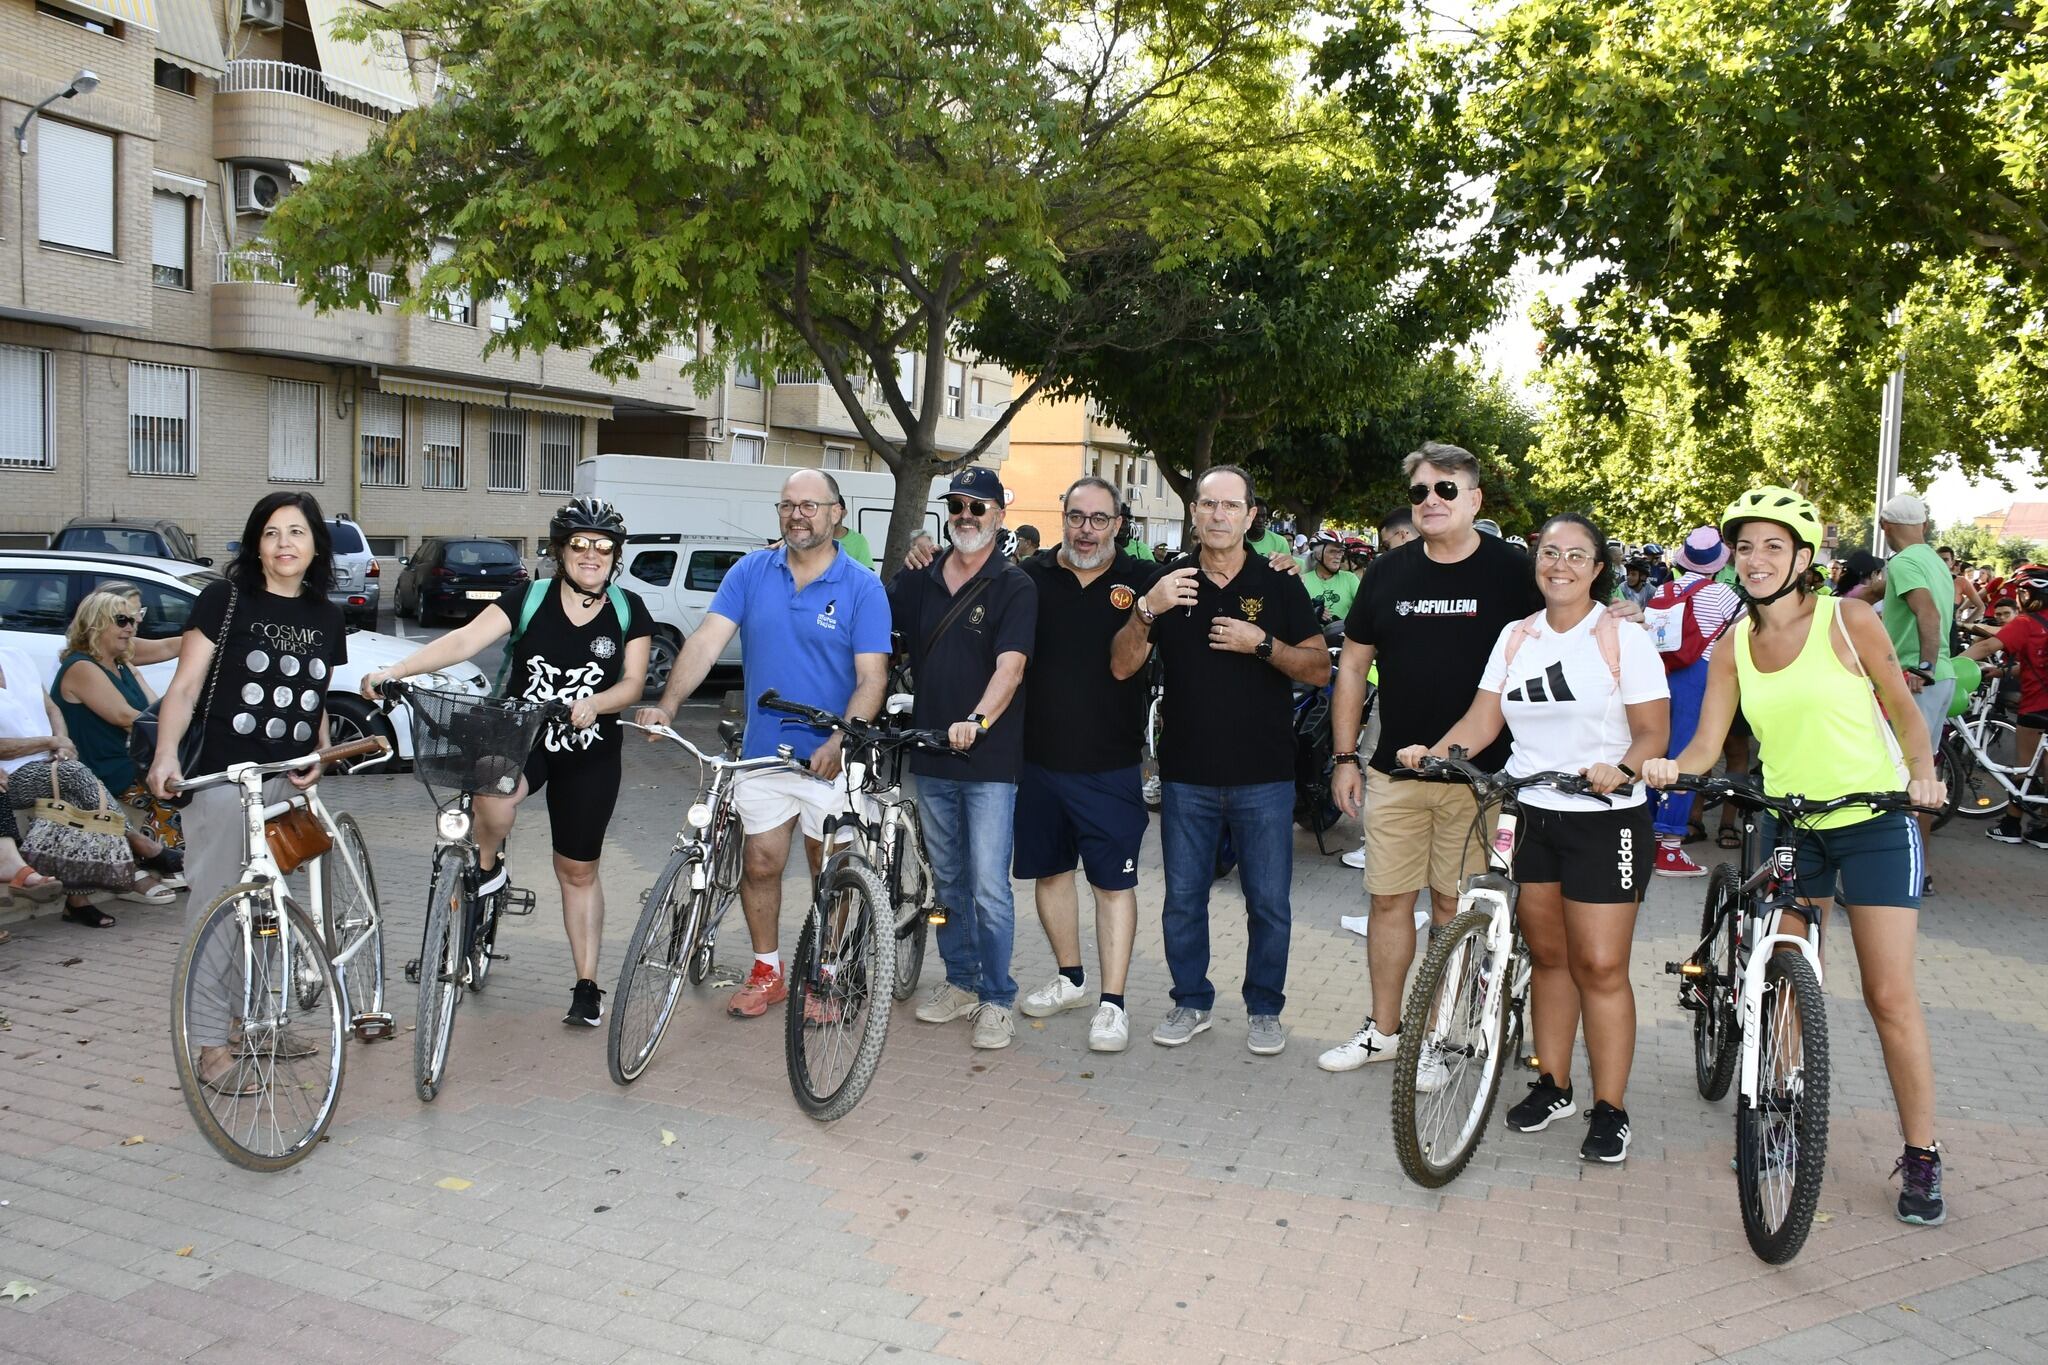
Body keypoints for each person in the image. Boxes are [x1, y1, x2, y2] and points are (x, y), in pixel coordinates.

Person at [1644, 486, 1948, 1226]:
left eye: (1772, 546)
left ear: (1804, 559)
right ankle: (1779, 1117)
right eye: (1745, 547)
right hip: (1792, 824)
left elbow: (1903, 707)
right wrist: (1667, 768)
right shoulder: (1731, 647)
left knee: (1888, 997)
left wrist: (1923, 770)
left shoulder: (1849, 619)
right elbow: (1706, 746)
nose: (1754, 560)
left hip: (1874, 818)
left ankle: (1922, 1152)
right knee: (1783, 977)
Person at [1398, 512, 1669, 1161]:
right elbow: (1484, 719)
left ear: (1598, 568)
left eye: (1577, 555)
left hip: (1605, 817)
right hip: (1530, 810)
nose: (1562, 565)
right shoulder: (1517, 636)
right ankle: (1554, 1082)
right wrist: (1436, 753)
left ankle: (1612, 1108)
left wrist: (1624, 768)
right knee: (1549, 956)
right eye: (1551, 552)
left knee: (1599, 965)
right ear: (1536, 561)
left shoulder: (1622, 638)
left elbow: (1654, 731)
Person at [361, 497, 651, 1027]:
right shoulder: (529, 598)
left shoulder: (629, 610)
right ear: (561, 551)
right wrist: (394, 670)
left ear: (615, 556)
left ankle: (586, 983)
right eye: (580, 544)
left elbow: (632, 683)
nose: (591, 555)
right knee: (494, 798)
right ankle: (488, 870)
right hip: (522, 734)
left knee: (577, 870)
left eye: (603, 547)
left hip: (589, 751)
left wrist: (596, 703)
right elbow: (465, 639)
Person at [1321, 443, 1545, 1075]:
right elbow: (1355, 668)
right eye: (1420, 491)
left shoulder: (1514, 571)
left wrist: (1622, 611)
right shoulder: (1388, 573)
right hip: (1396, 772)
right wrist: (1344, 756)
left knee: (1454, 909)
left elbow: (1572, 619)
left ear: (1474, 499)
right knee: (1388, 902)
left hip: (1481, 780)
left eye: (1446, 490)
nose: (1431, 502)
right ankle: (1385, 1031)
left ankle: (1447, 1038)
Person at [635, 470, 891, 1017]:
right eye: (787, 506)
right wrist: (669, 704)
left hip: (831, 756)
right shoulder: (751, 571)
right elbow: (706, 641)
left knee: (832, 871)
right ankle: (766, 971)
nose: (797, 515)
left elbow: (872, 678)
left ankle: (828, 973)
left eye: (810, 506)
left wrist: (841, 739)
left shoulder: (862, 587)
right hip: (764, 751)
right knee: (760, 863)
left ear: (837, 514)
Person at [147, 493, 349, 1090]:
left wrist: (315, 752)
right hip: (222, 783)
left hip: (286, 784)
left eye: (296, 532)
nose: (284, 542)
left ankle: (259, 1021)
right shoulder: (224, 601)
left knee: (268, 911)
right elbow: (183, 689)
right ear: (256, 544)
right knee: (217, 914)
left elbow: (314, 697)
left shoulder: (326, 616)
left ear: (315, 545)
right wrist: (164, 755)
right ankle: (210, 1049)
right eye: (271, 532)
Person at [1129, 465, 1324, 1055]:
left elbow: (1319, 670)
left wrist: (1260, 644)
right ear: (1193, 512)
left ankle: (1265, 1008)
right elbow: (1120, 665)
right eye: (1208, 504)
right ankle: (1190, 1000)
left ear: (1250, 516)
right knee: (1183, 900)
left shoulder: (1280, 584)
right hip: (1186, 775)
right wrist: (1146, 608)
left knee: (1268, 903)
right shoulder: (1168, 582)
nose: (1218, 515)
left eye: (1230, 506)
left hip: (1265, 777)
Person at [1011, 477, 1160, 1051]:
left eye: (1099, 519)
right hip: (1038, 762)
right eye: (1077, 516)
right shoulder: (1029, 578)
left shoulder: (1143, 581)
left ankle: (1113, 1003)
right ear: (1063, 516)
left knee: (1112, 884)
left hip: (1110, 765)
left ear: (1118, 524)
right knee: (1050, 874)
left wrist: (1280, 568)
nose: (1087, 529)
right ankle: (1071, 978)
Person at [889, 467, 1036, 1050]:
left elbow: (1012, 667)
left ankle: (998, 997)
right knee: (945, 881)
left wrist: (976, 722)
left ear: (999, 515)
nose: (967, 515)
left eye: (980, 506)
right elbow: (880, 631)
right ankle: (960, 982)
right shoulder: (922, 578)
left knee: (988, 888)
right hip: (930, 755)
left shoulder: (1013, 583)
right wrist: (905, 563)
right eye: (958, 505)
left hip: (989, 760)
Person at [51, 588, 188, 880]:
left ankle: (175, 862)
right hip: (101, 765)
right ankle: (162, 864)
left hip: (127, 758)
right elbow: (125, 717)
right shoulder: (81, 667)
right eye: (122, 620)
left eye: (134, 620)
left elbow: (166, 649)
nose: (131, 627)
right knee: (172, 791)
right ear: (96, 623)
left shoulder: (119, 662)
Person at [1644, 529, 1746, 877]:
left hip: (1659, 676)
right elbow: (1749, 629)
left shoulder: (1663, 589)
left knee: (1653, 754)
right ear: (1719, 561)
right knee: (1685, 760)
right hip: (1699, 679)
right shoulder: (1722, 595)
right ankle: (1669, 848)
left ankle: (1647, 835)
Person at [1878, 494, 1954, 882]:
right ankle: (1917, 869)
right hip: (1942, 676)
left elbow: (1927, 612)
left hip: (1915, 678)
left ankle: (1900, 871)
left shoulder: (1904, 561)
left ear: (1885, 526)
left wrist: (1921, 668)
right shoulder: (1936, 562)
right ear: (1923, 525)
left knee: (1902, 778)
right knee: (1924, 777)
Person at [1961, 566, 2048, 847]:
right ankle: (2042, 827)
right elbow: (2034, 664)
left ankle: (2011, 825)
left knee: (2025, 768)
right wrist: (2002, 672)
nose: (2020, 597)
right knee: (2043, 768)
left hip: (2036, 706)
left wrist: (1953, 664)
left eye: (2022, 591)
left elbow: (1986, 647)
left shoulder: (2027, 623)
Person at [1303, 530, 1359, 629]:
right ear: (1318, 555)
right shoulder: (1303, 580)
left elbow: (1366, 607)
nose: (1338, 556)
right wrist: (1310, 612)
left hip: (1343, 638)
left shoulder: (1350, 578)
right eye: (1332, 551)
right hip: (1311, 639)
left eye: (1341, 551)